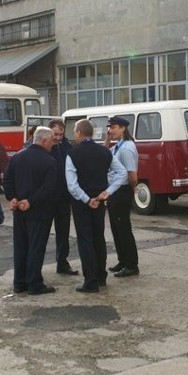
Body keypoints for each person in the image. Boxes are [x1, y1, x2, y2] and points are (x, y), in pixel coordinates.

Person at [65, 119, 128, 292]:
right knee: (98, 238)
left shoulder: (72, 153)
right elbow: (122, 173)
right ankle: (101, 276)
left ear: (78, 133)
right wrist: (108, 191)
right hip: (100, 200)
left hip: (82, 203)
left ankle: (90, 281)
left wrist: (86, 199)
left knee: (85, 240)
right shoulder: (104, 152)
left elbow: (72, 184)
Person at [2, 126, 57, 296]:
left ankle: (19, 282)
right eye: (52, 141)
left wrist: (12, 198)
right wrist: (31, 202)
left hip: (19, 210)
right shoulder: (49, 161)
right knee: (36, 246)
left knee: (21, 246)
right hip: (39, 211)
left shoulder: (17, 157)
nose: (53, 144)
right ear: (44, 140)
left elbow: (7, 179)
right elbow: (48, 188)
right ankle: (34, 283)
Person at [104, 116, 140, 278]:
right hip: (115, 191)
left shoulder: (126, 148)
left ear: (123, 128)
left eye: (114, 127)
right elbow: (105, 154)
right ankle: (123, 261)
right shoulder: (119, 146)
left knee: (123, 229)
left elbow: (132, 175)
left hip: (122, 191)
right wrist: (107, 139)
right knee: (116, 228)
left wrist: (133, 190)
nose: (110, 131)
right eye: (109, 128)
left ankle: (131, 265)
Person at [48, 119, 77, 275]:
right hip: (47, 198)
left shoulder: (67, 146)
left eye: (60, 134)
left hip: (64, 197)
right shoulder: (43, 146)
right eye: (55, 134)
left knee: (63, 233)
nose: (58, 137)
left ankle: (62, 263)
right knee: (42, 233)